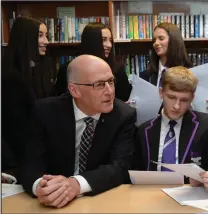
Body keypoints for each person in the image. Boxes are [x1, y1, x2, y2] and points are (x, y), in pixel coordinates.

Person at [20, 55, 136, 208]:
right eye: (100, 85)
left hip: (99, 202)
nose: (110, 91)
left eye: (111, 81)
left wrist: (76, 184)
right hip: (52, 203)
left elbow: (119, 167)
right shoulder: (45, 112)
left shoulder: (123, 116)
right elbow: (30, 163)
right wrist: (40, 187)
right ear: (74, 90)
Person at [134, 66, 208, 172]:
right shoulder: (144, 130)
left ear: (192, 98)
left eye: (184, 100)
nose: (177, 106)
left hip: (190, 187)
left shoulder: (205, 125)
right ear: (161, 93)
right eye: (172, 98)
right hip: (152, 187)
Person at [1, 16, 56, 180]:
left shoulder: (42, 69)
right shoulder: (10, 78)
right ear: (26, 37)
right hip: (18, 161)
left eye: (47, 36)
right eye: (40, 35)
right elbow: (14, 129)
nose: (46, 41)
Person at [55, 22, 132, 101]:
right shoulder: (68, 69)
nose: (109, 45)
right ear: (91, 42)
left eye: (110, 40)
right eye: (103, 40)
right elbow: (60, 99)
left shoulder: (118, 70)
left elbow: (124, 102)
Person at [140, 22, 192, 87]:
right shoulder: (145, 77)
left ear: (174, 40)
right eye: (154, 40)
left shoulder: (190, 75)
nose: (156, 43)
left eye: (161, 38)